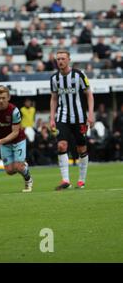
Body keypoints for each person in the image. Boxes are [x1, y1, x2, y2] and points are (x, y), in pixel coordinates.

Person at [50, 50, 95, 190]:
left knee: (81, 148)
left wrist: (91, 114)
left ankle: (81, 180)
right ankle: (65, 180)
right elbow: (54, 98)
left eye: (63, 58)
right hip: (62, 117)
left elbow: (89, 94)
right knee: (61, 145)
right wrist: (52, 118)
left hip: (80, 118)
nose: (60, 61)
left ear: (69, 59)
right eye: (58, 59)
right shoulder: (54, 79)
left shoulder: (79, 75)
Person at [0, 86, 33, 192]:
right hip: (4, 143)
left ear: (8, 98)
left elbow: (15, 132)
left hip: (17, 140)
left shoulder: (14, 111)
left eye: (3, 98)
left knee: (18, 167)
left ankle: (28, 179)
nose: (1, 100)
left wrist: (0, 141)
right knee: (9, 171)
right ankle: (22, 165)